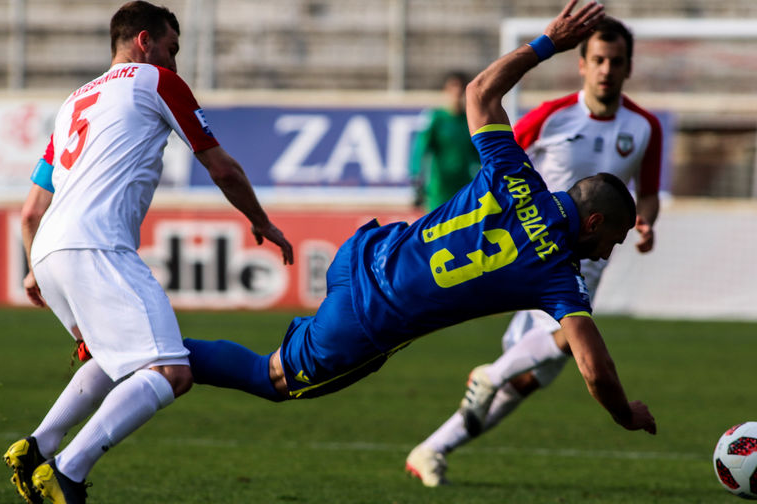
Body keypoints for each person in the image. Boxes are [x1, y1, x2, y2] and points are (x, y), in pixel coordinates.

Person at [181, 0, 656, 470]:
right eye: (612, 240)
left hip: (362, 250)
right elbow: (595, 367)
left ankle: (137, 354)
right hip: (369, 316)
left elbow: (480, 93)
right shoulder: (559, 276)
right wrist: (624, 413)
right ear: (593, 224)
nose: (608, 250)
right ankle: (148, 353)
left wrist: (547, 42)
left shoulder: (517, 174)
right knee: (274, 379)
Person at [3, 2, 293, 504]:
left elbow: (30, 210)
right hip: (97, 245)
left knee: (115, 358)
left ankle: (37, 448)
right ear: (144, 41)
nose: (175, 63)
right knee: (169, 372)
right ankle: (66, 472)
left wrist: (35, 268)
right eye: (172, 49)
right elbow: (221, 167)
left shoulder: (73, 101)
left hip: (49, 247)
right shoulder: (156, 81)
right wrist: (261, 220)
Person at [406, 15, 662, 487]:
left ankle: (432, 448)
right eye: (598, 60)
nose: (607, 69)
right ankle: (490, 375)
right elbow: (496, 160)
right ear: (582, 65)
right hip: (537, 256)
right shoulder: (552, 115)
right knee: (571, 342)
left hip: (594, 261)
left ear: (628, 68)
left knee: (527, 381)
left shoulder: (644, 127)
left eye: (617, 62)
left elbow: (647, 193)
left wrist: (646, 220)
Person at [410, 71, 482, 211]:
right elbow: (421, 148)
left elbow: (477, 153)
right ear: (446, 90)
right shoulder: (435, 119)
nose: (457, 92)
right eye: (453, 87)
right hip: (439, 187)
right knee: (436, 228)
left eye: (461, 88)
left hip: (463, 184)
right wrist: (416, 176)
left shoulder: (470, 120)